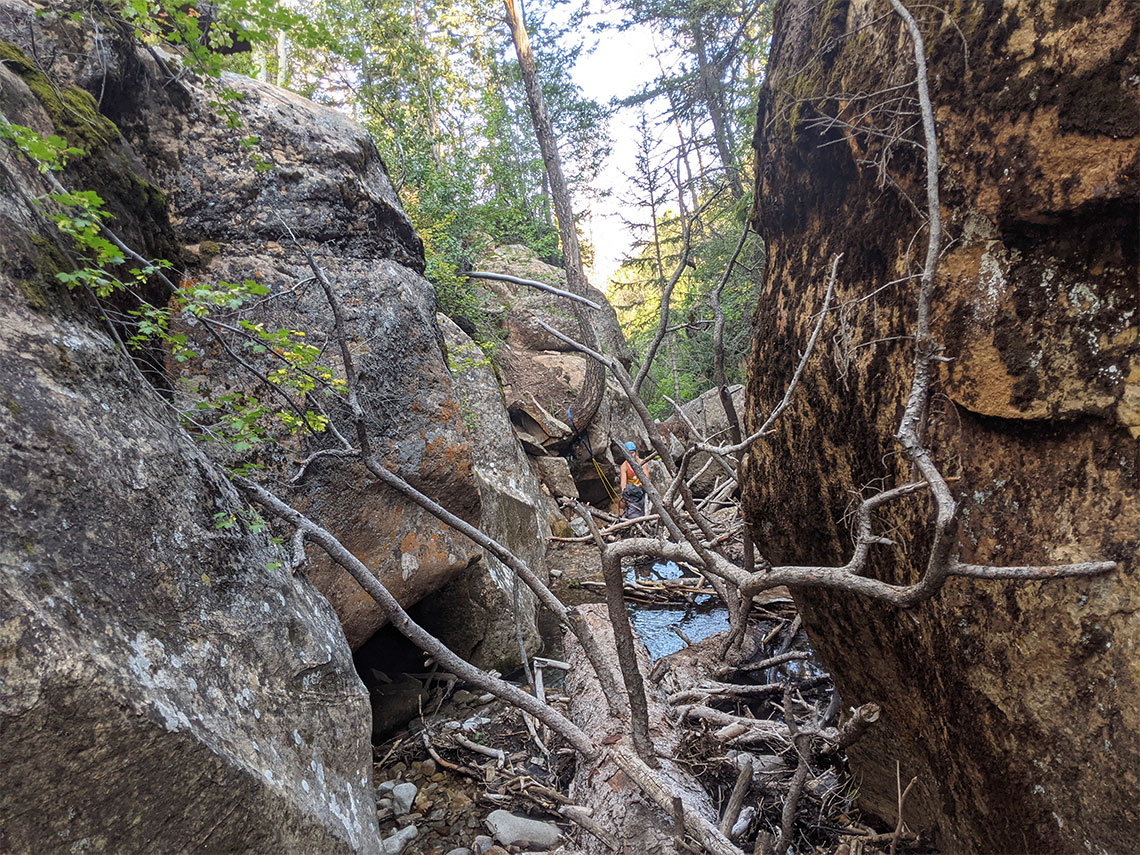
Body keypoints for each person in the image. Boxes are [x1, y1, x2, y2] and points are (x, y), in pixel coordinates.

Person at [619, 441, 647, 522]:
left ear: (636, 452)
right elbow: (623, 483)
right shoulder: (624, 466)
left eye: (632, 453)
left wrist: (638, 486)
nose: (631, 455)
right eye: (629, 453)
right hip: (631, 491)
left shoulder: (642, 463)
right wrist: (624, 493)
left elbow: (646, 478)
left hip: (640, 488)